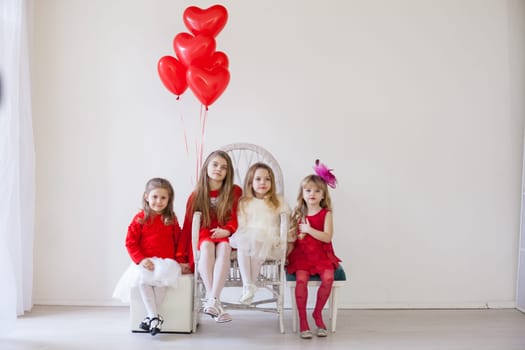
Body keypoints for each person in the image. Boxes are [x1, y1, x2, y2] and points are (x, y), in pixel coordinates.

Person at [112, 178, 191, 336]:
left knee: (162, 282)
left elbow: (179, 242)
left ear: (169, 200)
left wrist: (182, 261)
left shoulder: (170, 219)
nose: (158, 201)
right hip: (146, 262)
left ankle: (152, 318)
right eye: (155, 197)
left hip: (166, 262)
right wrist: (141, 259)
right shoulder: (140, 218)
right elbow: (130, 243)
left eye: (163, 198)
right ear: (146, 196)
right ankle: (154, 318)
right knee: (143, 280)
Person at [181, 150, 242, 323]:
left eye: (224, 167)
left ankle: (211, 300)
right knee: (207, 246)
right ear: (206, 166)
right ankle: (213, 299)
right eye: (215, 164)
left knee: (224, 247)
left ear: (228, 172)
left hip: (225, 233)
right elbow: (188, 228)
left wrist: (228, 230)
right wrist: (181, 257)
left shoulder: (235, 191)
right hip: (204, 235)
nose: (218, 169)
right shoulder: (196, 196)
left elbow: (238, 216)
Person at [286, 160, 341, 339]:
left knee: (328, 278)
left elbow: (327, 237)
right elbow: (292, 239)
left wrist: (309, 230)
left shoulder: (326, 214)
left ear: (323, 195)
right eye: (308, 190)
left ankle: (317, 314)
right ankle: (303, 321)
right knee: (301, 280)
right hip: (302, 256)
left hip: (321, 255)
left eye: (317, 191)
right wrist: (289, 247)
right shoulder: (297, 213)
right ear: (302, 194)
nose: (312, 194)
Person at [229, 162, 290, 305]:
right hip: (247, 237)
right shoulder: (244, 202)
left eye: (267, 179)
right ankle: (248, 285)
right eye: (258, 179)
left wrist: (289, 242)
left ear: (272, 182)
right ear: (250, 182)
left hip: (269, 239)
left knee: (256, 240)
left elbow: (287, 221)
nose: (263, 182)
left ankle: (249, 285)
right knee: (247, 239)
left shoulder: (278, 201)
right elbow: (242, 224)